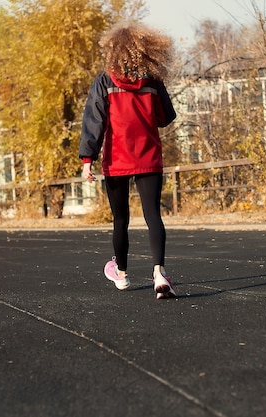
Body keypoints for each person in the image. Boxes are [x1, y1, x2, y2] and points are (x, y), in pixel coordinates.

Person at [78, 22, 177, 300]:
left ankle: (121, 274)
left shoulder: (104, 81)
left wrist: (88, 159)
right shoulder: (153, 81)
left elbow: (93, 123)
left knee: (120, 219)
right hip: (148, 157)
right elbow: (165, 117)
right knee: (153, 216)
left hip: (116, 160)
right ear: (146, 50)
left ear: (113, 51)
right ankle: (159, 273)